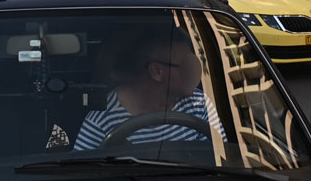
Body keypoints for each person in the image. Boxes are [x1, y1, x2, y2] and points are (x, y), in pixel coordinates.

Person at [74, 31, 225, 150]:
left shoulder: (200, 104)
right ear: (157, 71)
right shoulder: (102, 120)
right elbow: (83, 179)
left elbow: (221, 159)